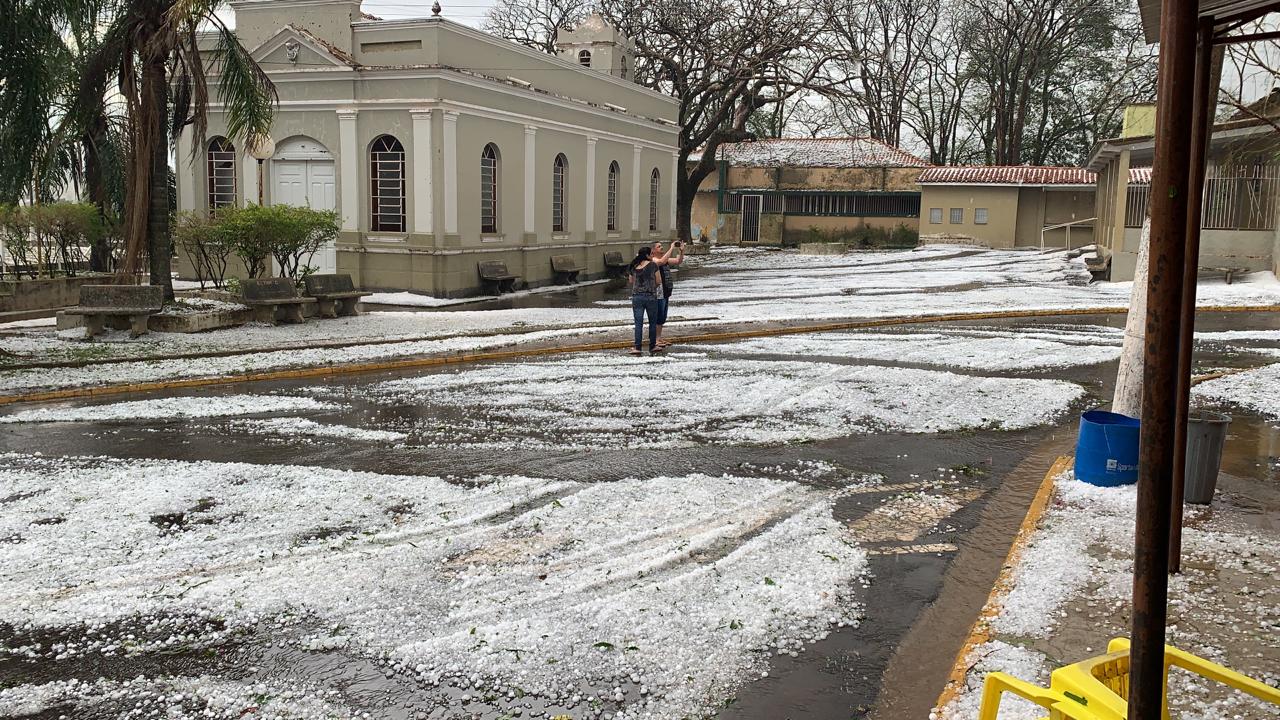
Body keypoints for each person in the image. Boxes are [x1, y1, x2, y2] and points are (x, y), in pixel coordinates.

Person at [626, 245, 674, 355]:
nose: (652, 255)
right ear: (647, 255)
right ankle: (652, 346)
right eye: (651, 254)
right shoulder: (653, 266)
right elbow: (658, 281)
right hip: (651, 296)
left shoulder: (634, 265)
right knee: (652, 322)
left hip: (637, 297)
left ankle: (637, 347)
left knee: (638, 323)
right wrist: (652, 287)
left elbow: (631, 280)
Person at [651, 240, 684, 348]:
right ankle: (655, 339)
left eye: (661, 246)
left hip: (666, 291)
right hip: (658, 292)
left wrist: (681, 251)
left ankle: (659, 338)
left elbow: (678, 261)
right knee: (658, 316)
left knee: (663, 316)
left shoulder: (664, 259)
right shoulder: (654, 260)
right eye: (658, 246)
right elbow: (661, 262)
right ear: (653, 250)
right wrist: (671, 248)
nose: (661, 248)